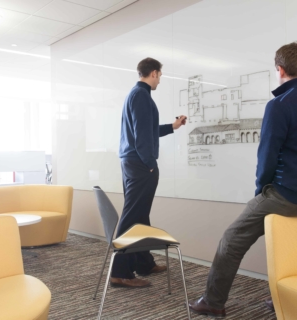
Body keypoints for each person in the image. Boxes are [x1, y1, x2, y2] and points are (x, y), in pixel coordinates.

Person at [188, 42, 297, 317]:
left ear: (280, 69)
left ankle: (213, 301)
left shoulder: (279, 104)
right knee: (288, 245)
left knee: (232, 240)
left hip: (284, 194)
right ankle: (283, 297)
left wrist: (262, 189)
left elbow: (268, 154)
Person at [110, 57, 187, 288]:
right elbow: (143, 137)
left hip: (133, 162)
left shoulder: (137, 95)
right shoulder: (141, 96)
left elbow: (147, 130)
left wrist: (172, 127)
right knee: (133, 216)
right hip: (140, 164)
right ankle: (119, 272)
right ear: (153, 73)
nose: (160, 81)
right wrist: (150, 163)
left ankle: (144, 262)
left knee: (140, 215)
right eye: (160, 76)